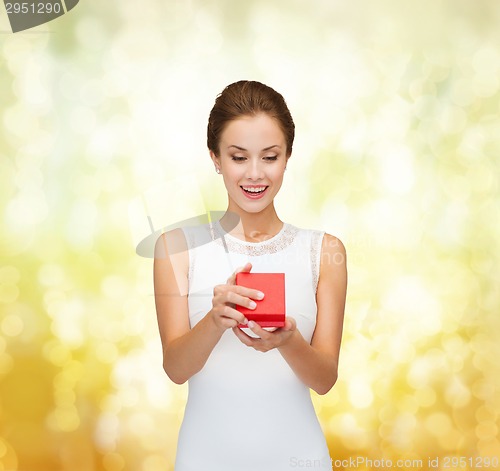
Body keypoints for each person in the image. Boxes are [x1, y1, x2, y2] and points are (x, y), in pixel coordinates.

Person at [153, 80, 347, 471]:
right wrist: (214, 320)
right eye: (239, 157)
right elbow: (175, 369)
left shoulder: (325, 251)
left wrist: (289, 341)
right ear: (215, 158)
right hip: (204, 459)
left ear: (288, 156)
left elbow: (324, 380)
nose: (255, 174)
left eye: (270, 157)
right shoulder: (176, 248)